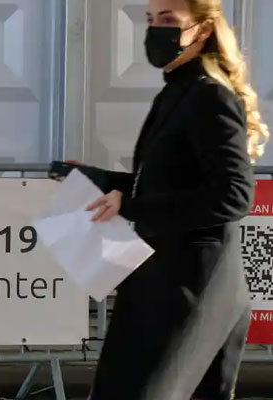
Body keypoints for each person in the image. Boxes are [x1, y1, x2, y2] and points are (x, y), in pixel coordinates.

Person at [50, 0, 270, 398]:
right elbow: (163, 181)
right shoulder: (178, 93)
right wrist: (96, 179)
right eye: (150, 20)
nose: (155, 31)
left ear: (202, 30)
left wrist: (130, 206)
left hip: (193, 287)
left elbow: (234, 195)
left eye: (168, 20)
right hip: (167, 279)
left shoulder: (209, 97)